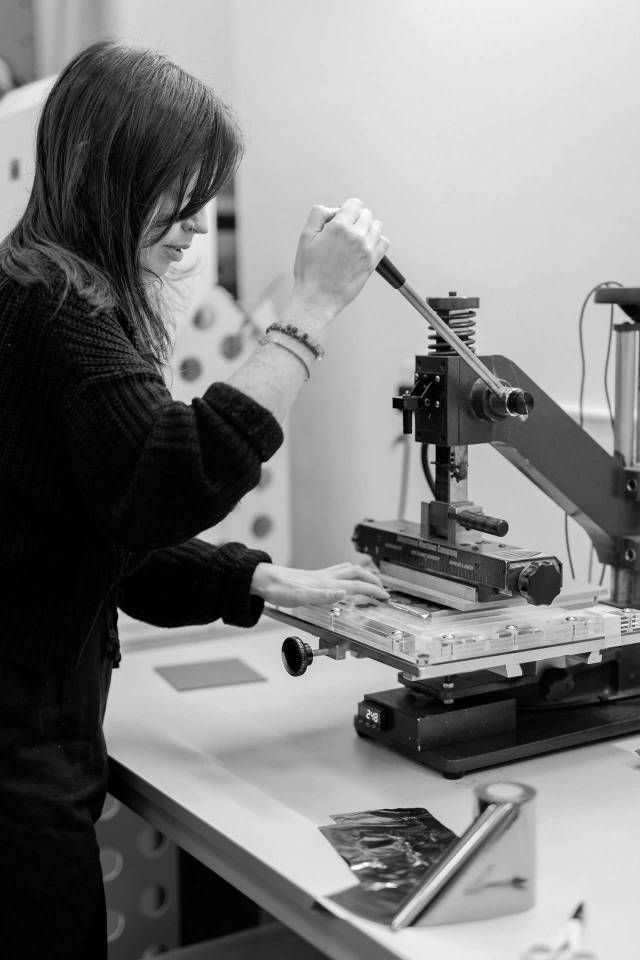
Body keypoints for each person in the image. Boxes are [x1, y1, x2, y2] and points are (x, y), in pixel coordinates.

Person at [0, 39, 390, 960]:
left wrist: (275, 585)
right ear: (108, 177)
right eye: (175, 191)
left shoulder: (33, 293)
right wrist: (310, 310)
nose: (192, 222)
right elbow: (173, 477)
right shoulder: (61, 319)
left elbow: (109, 538)